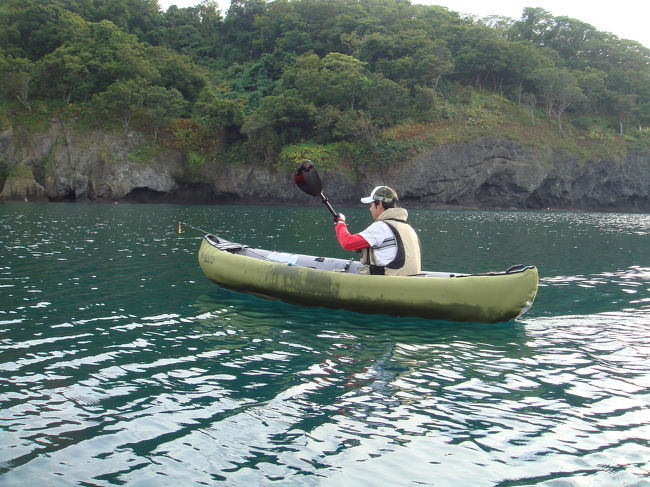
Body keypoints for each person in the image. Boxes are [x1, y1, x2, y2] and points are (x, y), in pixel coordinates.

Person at [334, 186, 421, 276]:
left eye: (371, 205)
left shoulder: (381, 226)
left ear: (379, 204)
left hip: (389, 283)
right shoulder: (409, 228)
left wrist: (340, 222)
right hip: (410, 281)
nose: (370, 208)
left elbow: (347, 242)